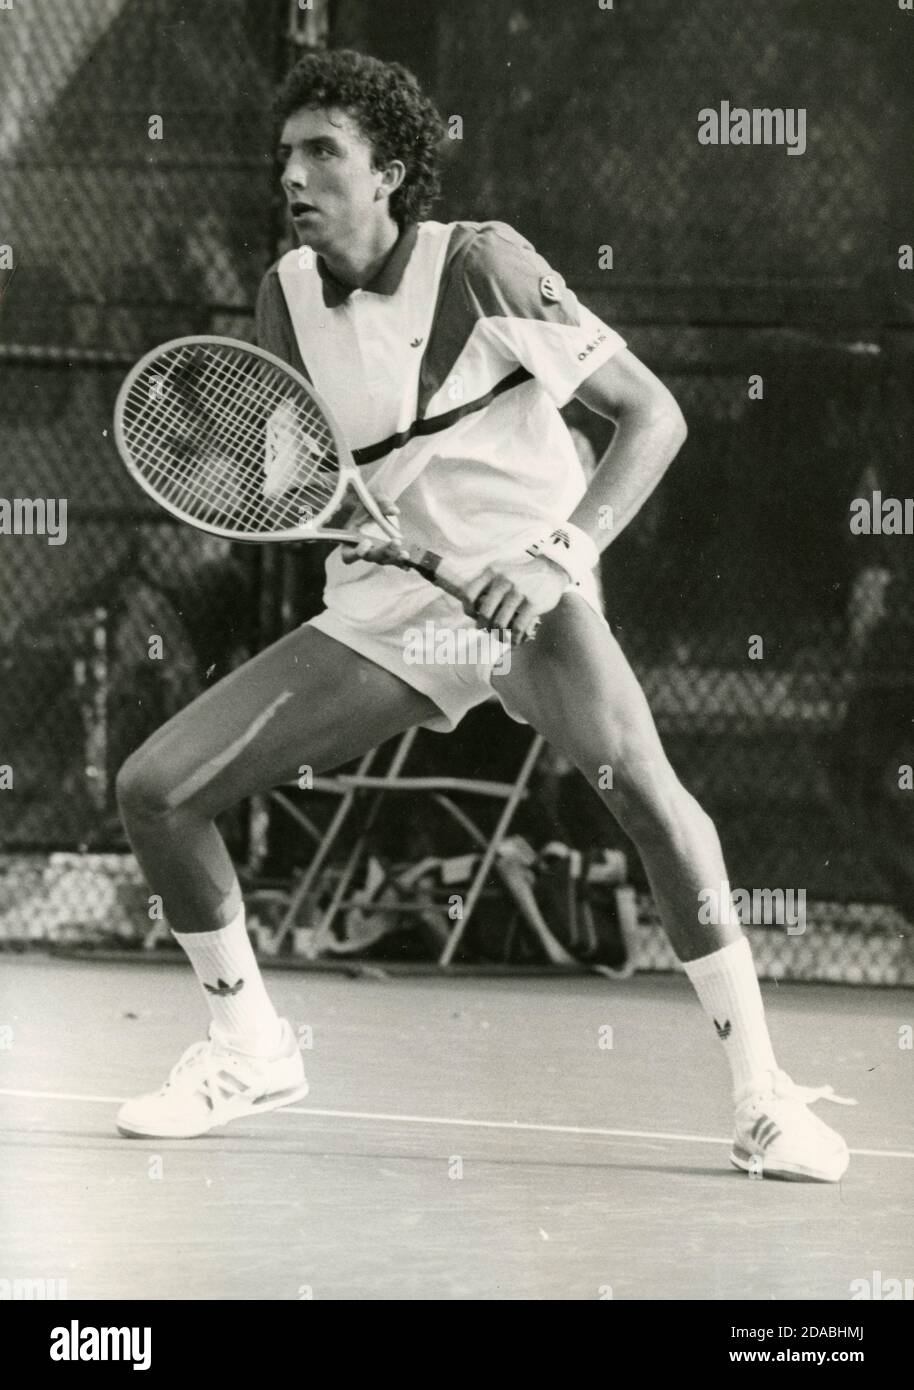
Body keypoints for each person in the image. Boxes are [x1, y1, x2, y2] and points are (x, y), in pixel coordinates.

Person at [115, 50, 852, 1180]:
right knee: (158, 790)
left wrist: (555, 557)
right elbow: (291, 475)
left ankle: (760, 1098)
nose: (294, 177)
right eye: (285, 156)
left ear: (392, 171)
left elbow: (649, 418)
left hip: (528, 584)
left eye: (323, 153)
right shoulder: (282, 293)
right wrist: (303, 501)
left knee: (647, 801)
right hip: (388, 608)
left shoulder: (484, 264)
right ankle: (248, 1045)